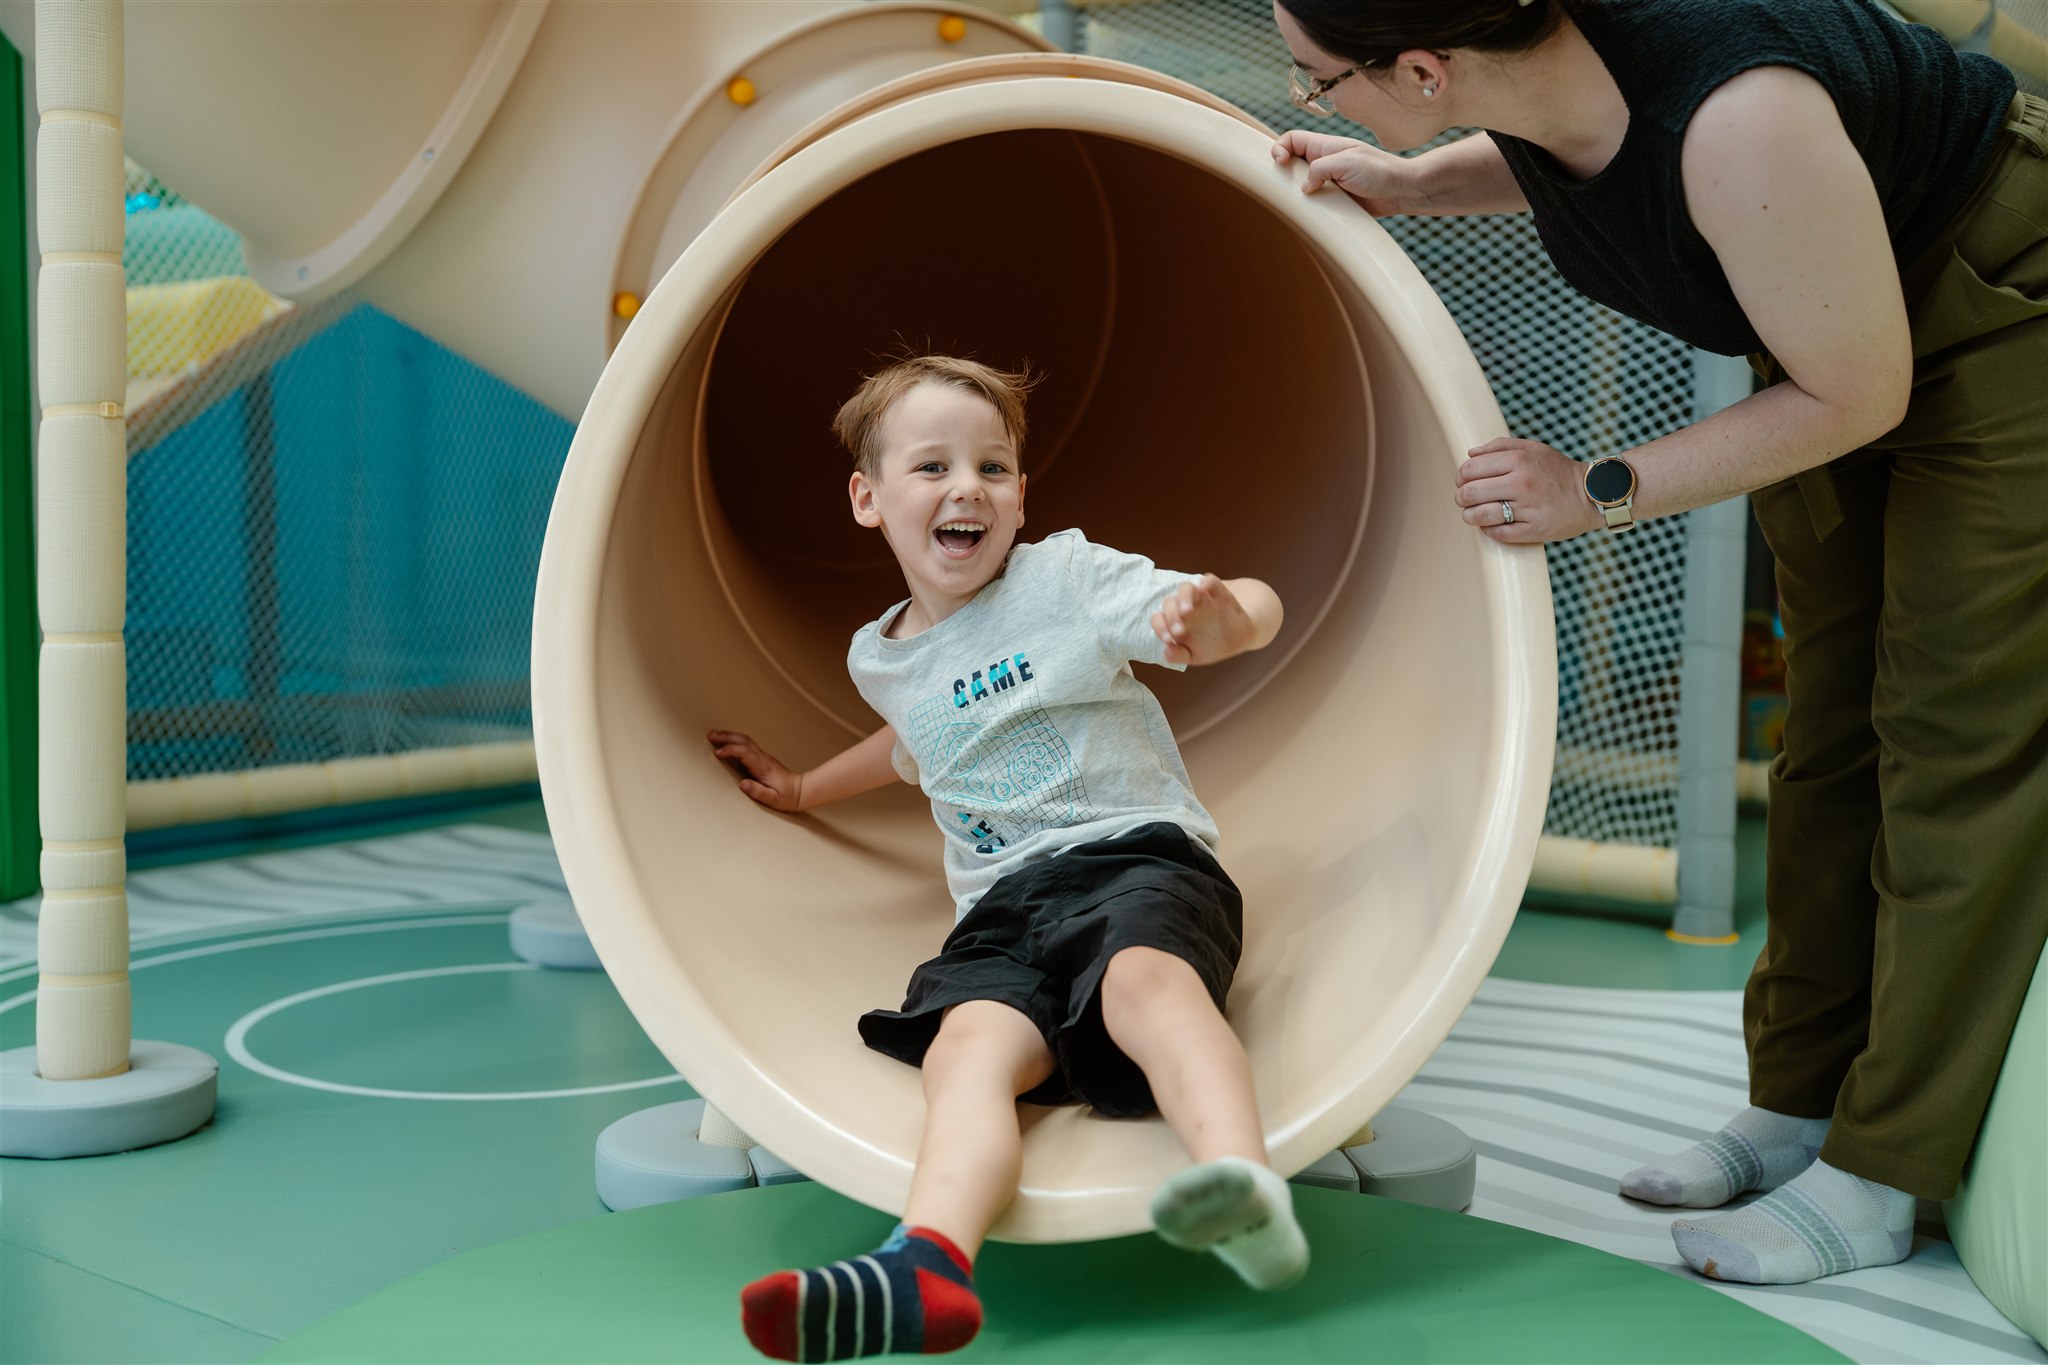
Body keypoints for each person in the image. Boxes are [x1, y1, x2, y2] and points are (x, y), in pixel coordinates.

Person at [1270, 0, 2047, 1287]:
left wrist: (1596, 486)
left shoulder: (1739, 119)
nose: (1314, 103)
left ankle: (1880, 1172)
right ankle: (1796, 1102)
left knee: (1950, 743)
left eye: (1316, 83)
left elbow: (1859, 391)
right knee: (1827, 728)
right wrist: (1409, 181)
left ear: (1418, 66)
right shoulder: (1529, 55)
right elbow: (1560, 148)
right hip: (1824, 300)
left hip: (1992, 302)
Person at [708, 354, 1296, 1361]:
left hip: (1132, 863)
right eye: (930, 467)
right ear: (868, 498)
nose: (965, 487)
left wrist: (1227, 618)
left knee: (1142, 985)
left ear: (1021, 497)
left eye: (991, 466)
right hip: (1000, 911)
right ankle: (928, 1260)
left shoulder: (1062, 580)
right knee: (964, 1050)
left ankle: (1242, 1187)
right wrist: (805, 787)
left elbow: (1253, 601)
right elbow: (920, 739)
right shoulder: (878, 655)